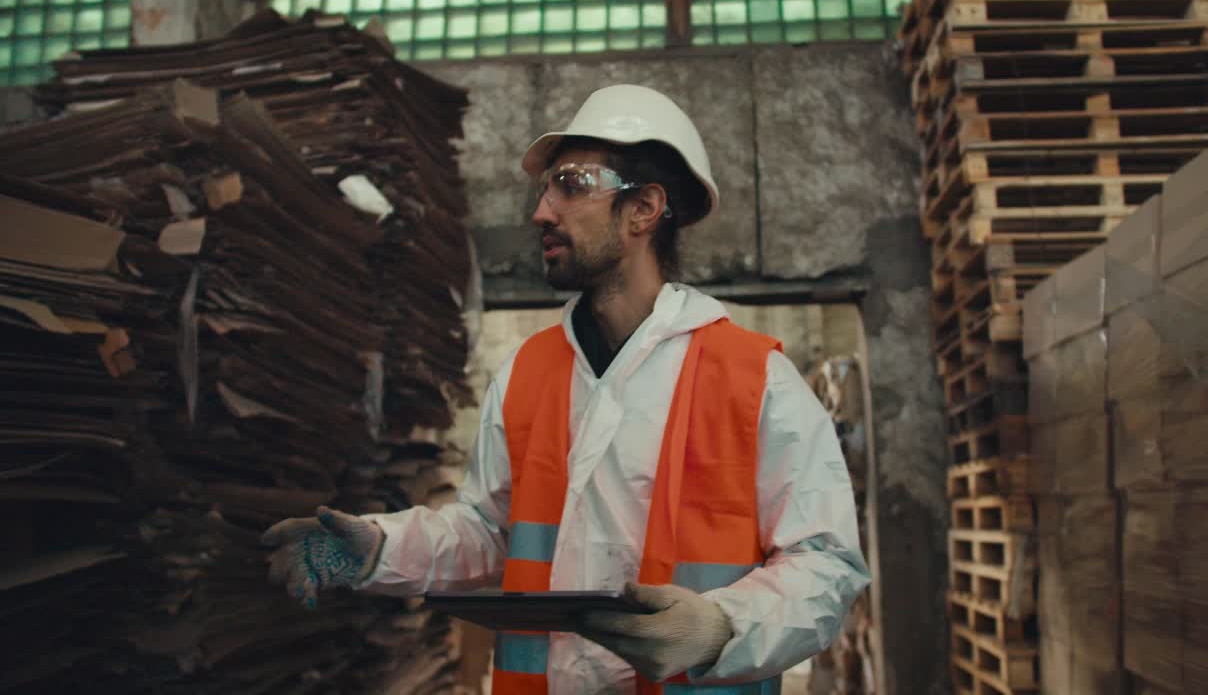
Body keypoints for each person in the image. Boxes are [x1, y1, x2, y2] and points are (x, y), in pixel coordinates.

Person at [262, 84, 871, 695]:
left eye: (572, 185)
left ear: (643, 209)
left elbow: (827, 564)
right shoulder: (526, 374)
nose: (542, 212)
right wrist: (378, 548)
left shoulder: (756, 380)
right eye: (545, 189)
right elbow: (488, 533)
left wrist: (720, 627)